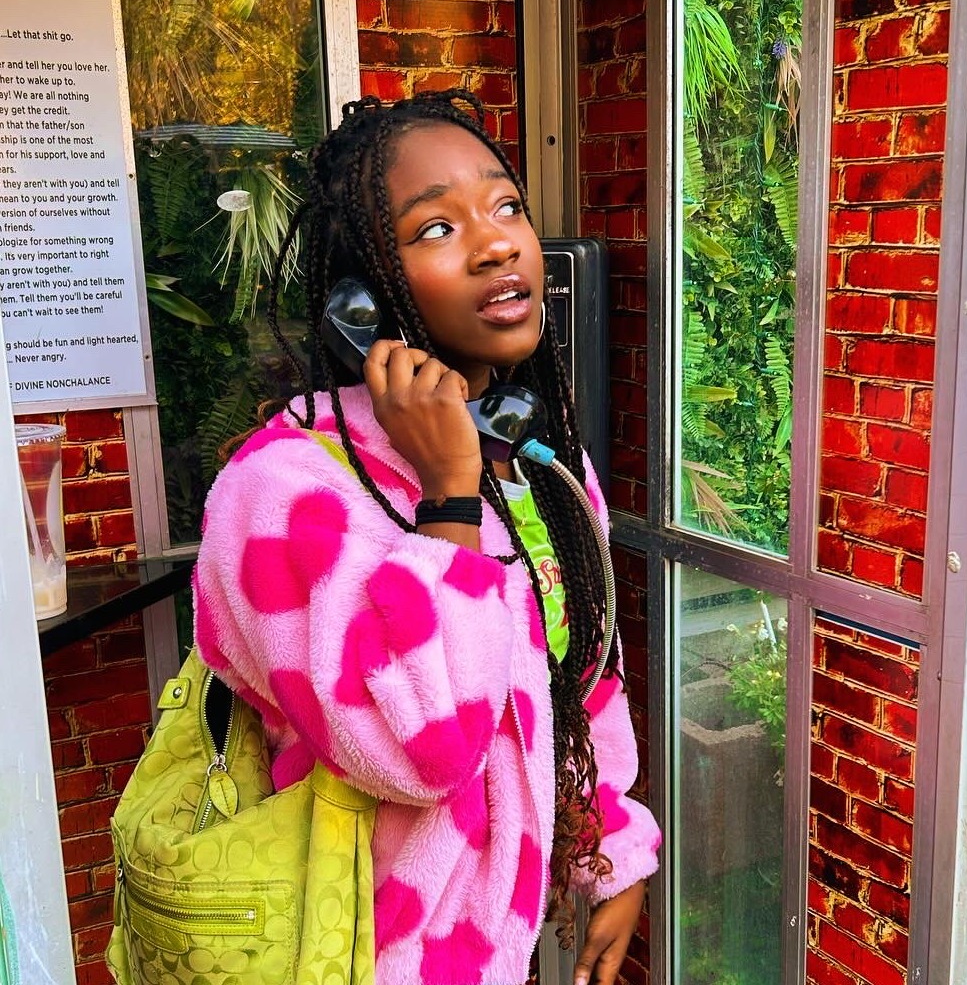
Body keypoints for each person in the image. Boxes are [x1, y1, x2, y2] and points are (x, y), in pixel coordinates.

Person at [193, 90, 660, 985]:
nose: (496, 243)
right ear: (361, 299)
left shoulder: (539, 467)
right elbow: (423, 753)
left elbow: (582, 684)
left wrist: (611, 854)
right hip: (352, 952)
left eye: (506, 206)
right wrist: (448, 499)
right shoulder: (286, 494)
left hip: (494, 950)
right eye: (436, 227)